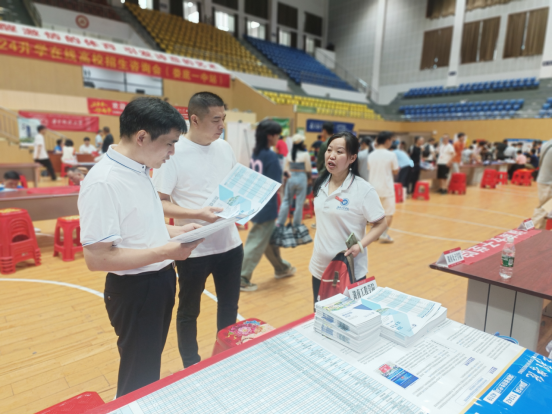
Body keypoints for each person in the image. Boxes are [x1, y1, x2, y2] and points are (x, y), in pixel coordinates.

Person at [78, 97, 202, 398]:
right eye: (169, 144)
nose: (172, 152)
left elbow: (140, 226)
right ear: (142, 137)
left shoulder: (139, 168)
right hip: (136, 289)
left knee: (147, 367)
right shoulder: (104, 182)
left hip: (158, 281)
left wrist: (177, 231)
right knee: (139, 376)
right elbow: (97, 258)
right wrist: (166, 251)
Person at [152, 92, 243, 368]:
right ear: (194, 119)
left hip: (230, 245)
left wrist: (244, 206)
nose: (222, 125)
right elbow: (159, 203)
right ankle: (191, 365)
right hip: (194, 249)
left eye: (223, 118)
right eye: (216, 120)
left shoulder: (224, 147)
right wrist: (197, 214)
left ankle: (226, 358)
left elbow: (233, 189)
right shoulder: (174, 152)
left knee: (229, 307)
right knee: (189, 311)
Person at [310, 132, 387, 305]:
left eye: (339, 152)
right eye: (329, 150)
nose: (332, 155)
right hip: (319, 267)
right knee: (321, 315)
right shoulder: (320, 184)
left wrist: (360, 245)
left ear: (352, 158)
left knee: (349, 316)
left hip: (349, 270)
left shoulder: (363, 190)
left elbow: (381, 224)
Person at [241, 119, 297, 292]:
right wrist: (283, 178)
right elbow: (275, 185)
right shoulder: (271, 156)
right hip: (266, 205)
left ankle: (281, 268)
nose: (279, 138)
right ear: (270, 136)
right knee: (257, 241)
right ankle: (241, 277)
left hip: (256, 202)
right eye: (277, 135)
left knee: (268, 240)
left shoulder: (257, 154)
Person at [272, 133, 312, 247]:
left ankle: (280, 223)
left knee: (286, 201)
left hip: (290, 178)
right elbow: (308, 169)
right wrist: (309, 179)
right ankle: (296, 224)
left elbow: (285, 170)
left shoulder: (289, 154)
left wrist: (285, 181)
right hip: (302, 178)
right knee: (299, 203)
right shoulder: (305, 154)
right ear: (302, 143)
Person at [368, 131, 399, 243]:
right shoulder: (391, 155)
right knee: (388, 213)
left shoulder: (371, 155)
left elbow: (369, 168)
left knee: (375, 214)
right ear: (387, 141)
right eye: (391, 140)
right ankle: (384, 235)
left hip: (372, 188)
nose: (391, 143)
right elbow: (395, 171)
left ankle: (374, 235)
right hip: (386, 188)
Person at [533, 139, 552, 228]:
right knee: (544, 208)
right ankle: (524, 228)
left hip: (543, 180)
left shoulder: (547, 144)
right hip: (549, 183)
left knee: (545, 209)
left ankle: (542, 231)